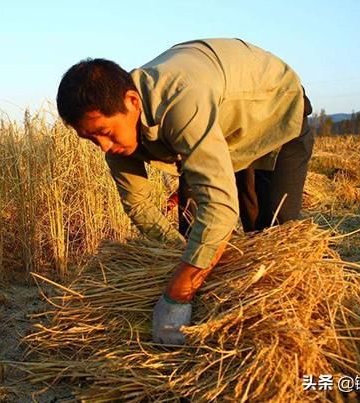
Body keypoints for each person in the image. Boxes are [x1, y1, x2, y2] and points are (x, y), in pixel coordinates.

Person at [56, 38, 313, 345]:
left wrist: (177, 295)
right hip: (217, 130)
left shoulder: (180, 102)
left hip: (273, 107)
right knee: (194, 229)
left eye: (105, 133)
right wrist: (179, 256)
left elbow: (219, 207)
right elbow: (138, 205)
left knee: (271, 232)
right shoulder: (116, 134)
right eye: (91, 139)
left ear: (132, 102)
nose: (104, 147)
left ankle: (281, 336)